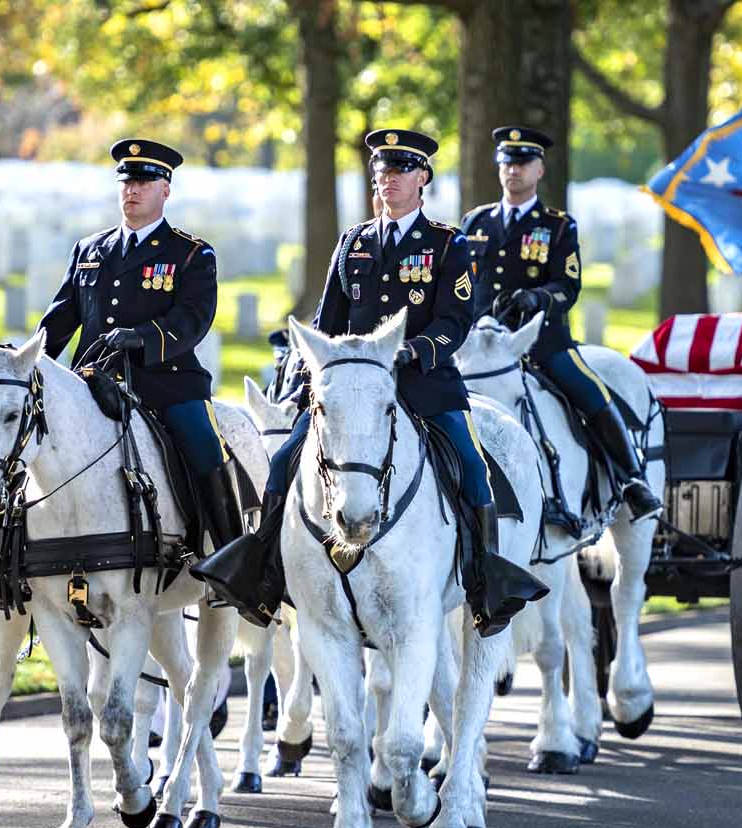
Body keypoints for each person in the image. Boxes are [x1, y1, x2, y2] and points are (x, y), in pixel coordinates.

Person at [193, 128, 545, 635]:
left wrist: (416, 350)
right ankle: (263, 573)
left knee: (471, 466)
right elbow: (329, 317)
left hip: (425, 387)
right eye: (381, 170)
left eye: (400, 170)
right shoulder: (354, 242)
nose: (389, 179)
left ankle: (485, 579)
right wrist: (308, 369)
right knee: (283, 461)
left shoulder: (449, 244)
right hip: (353, 391)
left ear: (422, 179)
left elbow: (455, 319)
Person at [36, 138, 243, 555]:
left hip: (167, 385)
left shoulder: (190, 253)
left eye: (145, 182)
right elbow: (61, 318)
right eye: (127, 182)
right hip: (93, 384)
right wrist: (27, 359)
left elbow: (193, 319)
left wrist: (144, 336)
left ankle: (232, 561)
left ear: (165, 189)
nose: (132, 190)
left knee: (204, 445)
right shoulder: (90, 250)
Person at [459, 126, 661, 520]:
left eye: (522, 163)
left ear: (539, 170)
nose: (513, 171)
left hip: (540, 344)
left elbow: (569, 285)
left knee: (590, 391)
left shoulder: (556, 226)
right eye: (507, 162)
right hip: (479, 345)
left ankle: (632, 479)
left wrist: (537, 297)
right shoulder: (475, 223)